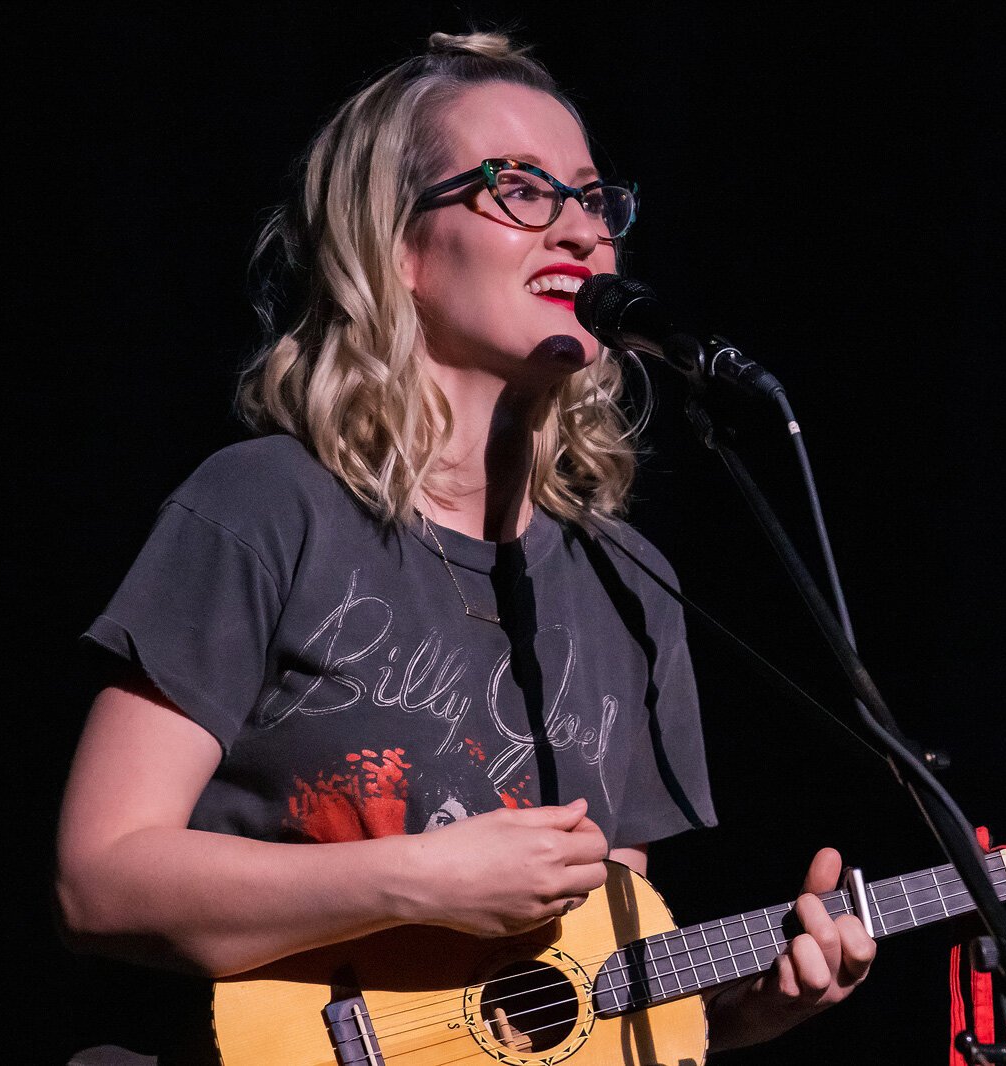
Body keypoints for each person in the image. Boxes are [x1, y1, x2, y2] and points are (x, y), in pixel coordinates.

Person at [54, 30, 875, 1063]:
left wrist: (751, 1011)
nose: (578, 231)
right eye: (519, 189)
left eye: (590, 197)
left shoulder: (630, 585)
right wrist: (420, 877)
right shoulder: (265, 505)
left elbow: (576, 988)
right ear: (395, 246)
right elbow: (101, 879)